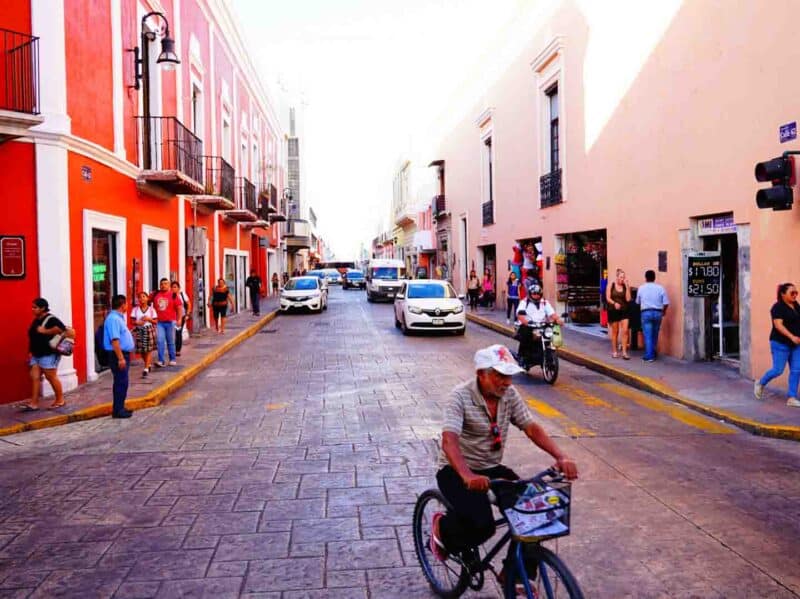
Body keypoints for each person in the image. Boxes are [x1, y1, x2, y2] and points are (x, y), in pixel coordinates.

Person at [430, 344, 578, 562]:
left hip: (492, 469)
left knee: (533, 515)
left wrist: (561, 456)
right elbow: (449, 441)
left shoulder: (509, 394)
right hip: (455, 470)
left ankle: (514, 576)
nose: (507, 382)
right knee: (483, 525)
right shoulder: (460, 397)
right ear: (481, 374)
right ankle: (442, 529)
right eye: (500, 375)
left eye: (509, 376)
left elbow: (531, 427)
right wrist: (467, 475)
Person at [755, 283, 800, 407]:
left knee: (796, 370)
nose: (795, 295)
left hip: (796, 344)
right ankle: (760, 383)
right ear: (783, 294)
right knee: (778, 370)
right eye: (792, 293)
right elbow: (778, 325)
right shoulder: (778, 307)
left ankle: (791, 397)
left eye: (796, 292)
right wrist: (792, 337)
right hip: (780, 343)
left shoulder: (796, 305)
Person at [20, 298, 66, 411]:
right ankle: (34, 403)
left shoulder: (51, 319)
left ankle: (60, 400)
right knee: (35, 377)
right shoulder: (36, 320)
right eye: (32, 307)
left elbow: (63, 330)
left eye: (35, 307)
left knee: (51, 377)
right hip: (36, 354)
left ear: (43, 308)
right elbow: (33, 336)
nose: (32, 309)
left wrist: (45, 331)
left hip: (49, 354)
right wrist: (30, 352)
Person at [516, 283, 563, 366]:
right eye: (534, 294)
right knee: (526, 335)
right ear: (530, 294)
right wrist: (526, 322)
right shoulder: (524, 302)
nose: (536, 296)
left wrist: (558, 319)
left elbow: (551, 313)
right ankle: (522, 357)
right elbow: (520, 314)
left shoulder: (544, 302)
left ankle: (545, 356)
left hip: (541, 325)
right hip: (528, 325)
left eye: (538, 294)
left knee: (549, 335)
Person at [103, 294, 134, 418]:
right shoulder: (113, 319)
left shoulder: (118, 318)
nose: (127, 306)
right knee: (121, 382)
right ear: (123, 305)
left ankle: (120, 406)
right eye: (126, 304)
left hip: (122, 354)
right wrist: (120, 358)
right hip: (118, 355)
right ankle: (118, 410)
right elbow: (114, 340)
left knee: (122, 382)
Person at [636, 270, 669, 362]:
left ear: (645, 278)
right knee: (655, 334)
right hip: (658, 312)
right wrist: (664, 311)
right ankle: (653, 352)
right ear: (654, 278)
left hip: (646, 312)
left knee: (648, 335)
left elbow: (637, 302)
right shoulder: (660, 288)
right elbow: (666, 302)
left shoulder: (641, 288)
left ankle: (649, 356)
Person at [152, 278, 183, 367]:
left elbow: (179, 308)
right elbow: (148, 303)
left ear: (169, 285)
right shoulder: (156, 295)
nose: (163, 285)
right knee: (160, 341)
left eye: (165, 283)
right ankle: (161, 360)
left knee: (171, 341)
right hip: (159, 322)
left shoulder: (173, 295)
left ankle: (172, 359)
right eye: (161, 284)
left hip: (171, 322)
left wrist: (179, 319)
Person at [606, 269, 632, 359]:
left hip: (624, 310)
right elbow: (607, 298)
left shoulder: (625, 287)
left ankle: (624, 352)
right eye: (621, 277)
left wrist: (628, 286)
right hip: (613, 310)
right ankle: (614, 351)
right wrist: (614, 303)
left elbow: (628, 299)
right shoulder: (611, 285)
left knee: (625, 331)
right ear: (617, 277)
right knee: (615, 332)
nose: (622, 279)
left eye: (624, 277)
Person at [131, 292, 157, 377]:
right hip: (139, 330)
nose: (142, 299)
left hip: (148, 329)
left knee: (148, 349)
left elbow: (155, 321)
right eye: (140, 297)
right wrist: (137, 322)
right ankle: (148, 363)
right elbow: (132, 321)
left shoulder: (151, 310)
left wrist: (149, 319)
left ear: (147, 298)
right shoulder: (135, 310)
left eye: (143, 297)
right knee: (142, 350)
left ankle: (146, 368)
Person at [171, 281, 191, 356]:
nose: (173, 288)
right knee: (173, 333)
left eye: (175, 287)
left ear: (179, 288)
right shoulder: (170, 296)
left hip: (181, 317)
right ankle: (173, 348)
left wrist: (187, 314)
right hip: (172, 317)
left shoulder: (182, 295)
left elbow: (189, 304)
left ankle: (177, 350)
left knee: (178, 332)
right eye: (172, 287)